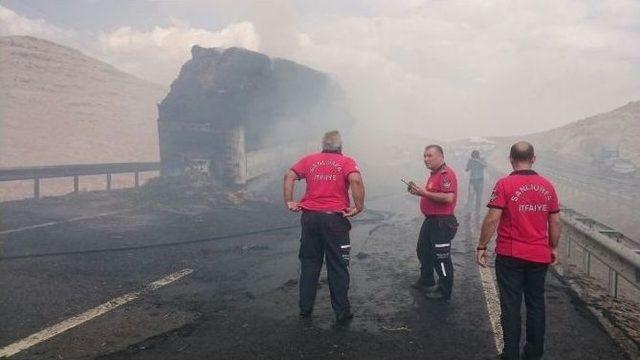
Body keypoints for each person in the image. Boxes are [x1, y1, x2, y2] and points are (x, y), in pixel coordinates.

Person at [476, 141, 561, 360]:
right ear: (533, 158)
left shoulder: (504, 185)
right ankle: (534, 353)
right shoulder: (548, 186)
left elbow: (493, 218)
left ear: (511, 159)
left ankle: (510, 353)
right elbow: (555, 222)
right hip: (539, 255)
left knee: (510, 305)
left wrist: (482, 245)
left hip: (510, 255)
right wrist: (553, 247)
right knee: (536, 304)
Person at [283, 130, 365, 324]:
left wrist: (289, 201)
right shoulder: (346, 162)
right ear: (340, 146)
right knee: (337, 265)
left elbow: (289, 176)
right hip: (334, 220)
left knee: (310, 264)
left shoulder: (309, 160)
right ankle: (341, 312)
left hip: (310, 218)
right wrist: (358, 206)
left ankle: (305, 310)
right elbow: (355, 179)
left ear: (323, 145)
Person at [407, 144, 459, 300]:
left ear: (441, 156)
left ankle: (444, 290)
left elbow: (448, 197)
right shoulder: (434, 174)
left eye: (429, 155)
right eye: (424, 156)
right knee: (423, 250)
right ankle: (427, 279)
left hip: (442, 222)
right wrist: (419, 192)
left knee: (441, 258)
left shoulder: (446, 174)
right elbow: (432, 194)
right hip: (431, 221)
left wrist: (423, 192)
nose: (426, 159)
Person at [465, 150, 487, 214]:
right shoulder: (470, 160)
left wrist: (477, 160)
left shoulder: (482, 159)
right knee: (470, 196)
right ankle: (469, 211)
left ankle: (477, 211)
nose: (473, 157)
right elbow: (467, 169)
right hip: (472, 181)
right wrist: (469, 165)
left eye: (474, 156)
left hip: (480, 181)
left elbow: (485, 165)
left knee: (479, 197)